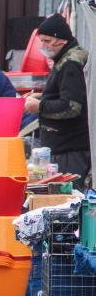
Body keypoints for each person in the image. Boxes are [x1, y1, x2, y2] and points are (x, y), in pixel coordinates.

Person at [24, 13, 91, 191]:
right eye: (41, 40)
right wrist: (42, 97)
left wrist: (39, 106)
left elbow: (71, 106)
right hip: (66, 147)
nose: (43, 46)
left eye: (46, 40)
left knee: (69, 198)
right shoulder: (64, 59)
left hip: (71, 148)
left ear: (59, 40)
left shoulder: (70, 64)